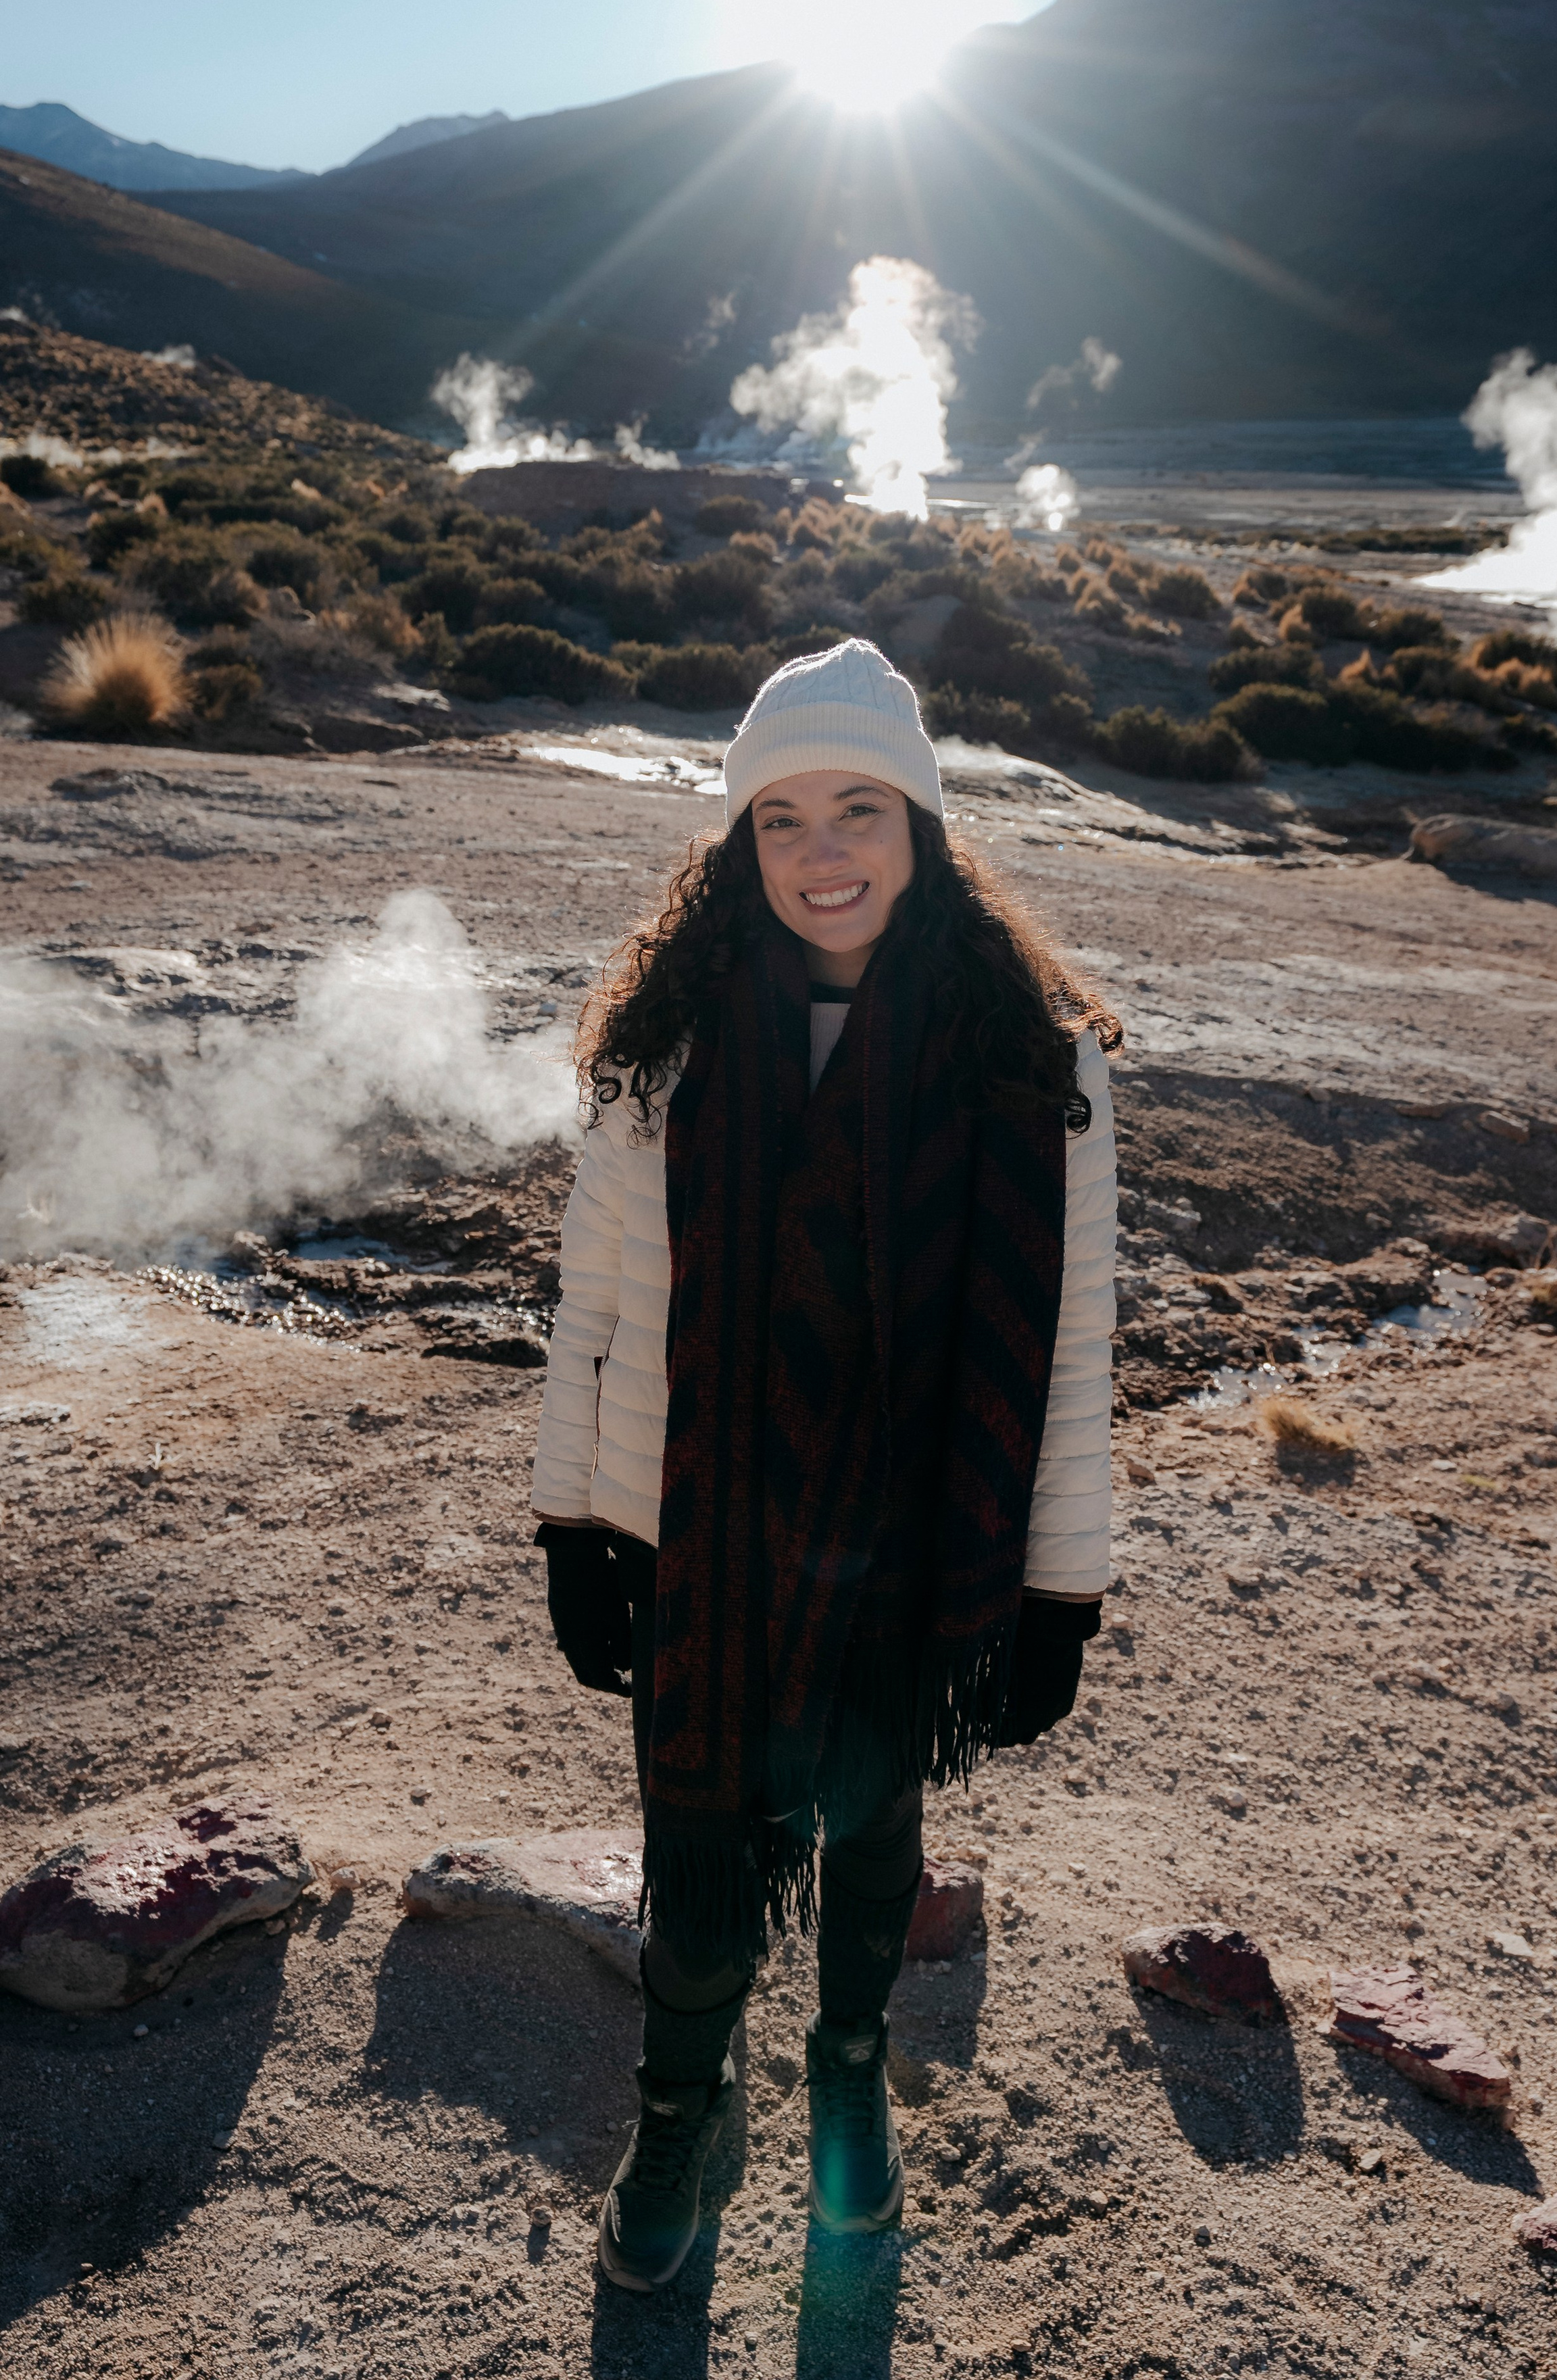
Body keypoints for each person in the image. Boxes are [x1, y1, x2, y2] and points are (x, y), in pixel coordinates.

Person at [528, 638, 1120, 2291]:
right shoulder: (664, 1048)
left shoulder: (1036, 1061)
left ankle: (847, 2086)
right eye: (778, 819)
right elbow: (592, 1306)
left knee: (871, 1825)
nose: (822, 851)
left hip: (914, 1537)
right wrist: (571, 1520)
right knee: (699, 1849)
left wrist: (1056, 1591)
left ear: (925, 828)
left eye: (860, 805)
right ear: (738, 847)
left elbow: (1066, 1345)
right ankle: (679, 2113)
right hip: (699, 1534)